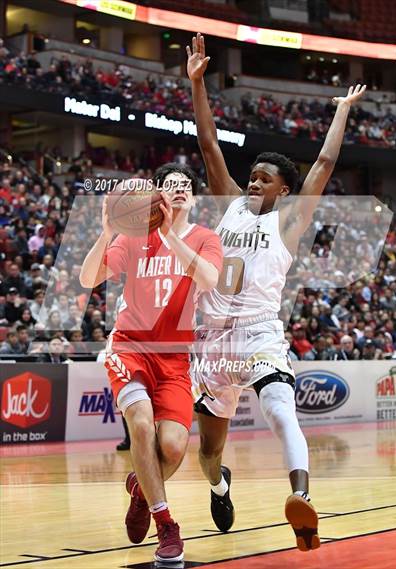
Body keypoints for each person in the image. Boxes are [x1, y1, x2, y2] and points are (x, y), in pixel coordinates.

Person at [187, 32, 366, 552]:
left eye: (263, 179)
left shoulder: (289, 222)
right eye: (252, 177)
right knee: (208, 450)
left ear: (283, 190)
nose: (252, 183)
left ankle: (302, 498)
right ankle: (220, 487)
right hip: (212, 340)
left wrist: (340, 111)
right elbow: (208, 145)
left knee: (280, 405)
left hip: (260, 331)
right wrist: (198, 85)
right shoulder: (229, 208)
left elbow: (325, 166)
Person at [79, 164, 223, 563]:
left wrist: (169, 234)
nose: (178, 191)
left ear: (192, 198)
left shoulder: (206, 238)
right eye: (169, 186)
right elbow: (87, 280)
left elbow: (209, 279)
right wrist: (107, 232)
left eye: (184, 186)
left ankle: (142, 491)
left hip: (175, 358)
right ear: (155, 195)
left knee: (173, 449)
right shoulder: (131, 238)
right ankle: (167, 525)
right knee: (140, 422)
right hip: (130, 348)